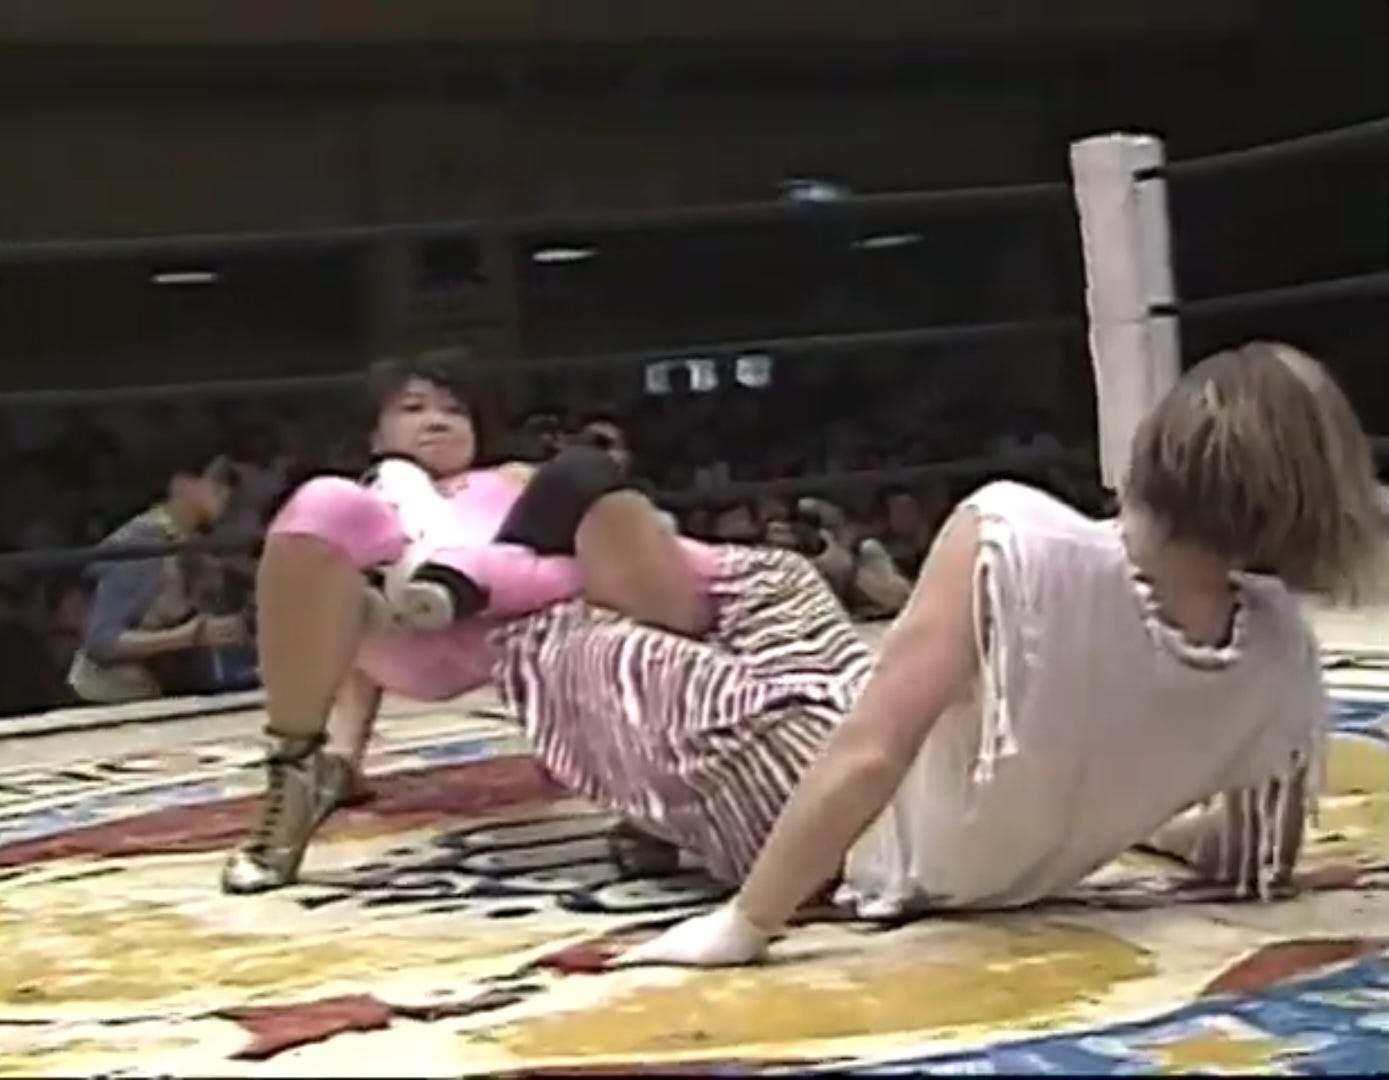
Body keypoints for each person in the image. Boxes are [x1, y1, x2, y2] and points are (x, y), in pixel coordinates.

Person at [621, 341, 1387, 967]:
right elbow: (1253, 857)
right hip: (927, 798)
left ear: (1159, 445)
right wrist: (1135, 814)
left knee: (617, 640)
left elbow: (868, 751)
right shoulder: (1278, 653)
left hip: (824, 821)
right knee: (787, 592)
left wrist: (746, 922)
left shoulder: (1015, 539)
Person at [223, 351, 870, 894]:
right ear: (374, 432)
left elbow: (621, 547)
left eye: (454, 410)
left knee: (616, 541)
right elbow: (335, 628)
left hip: (558, 611)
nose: (437, 420)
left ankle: (673, 803)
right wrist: (340, 754)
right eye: (413, 407)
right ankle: (294, 776)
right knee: (322, 512)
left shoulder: (516, 482)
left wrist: (494, 579)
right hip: (415, 628)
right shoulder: (366, 504)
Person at [68, 437, 249, 704]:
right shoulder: (142, 541)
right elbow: (101, 642)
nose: (226, 492)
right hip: (107, 698)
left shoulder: (194, 543)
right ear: (182, 484)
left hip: (157, 694)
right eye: (217, 480)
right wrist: (187, 637)